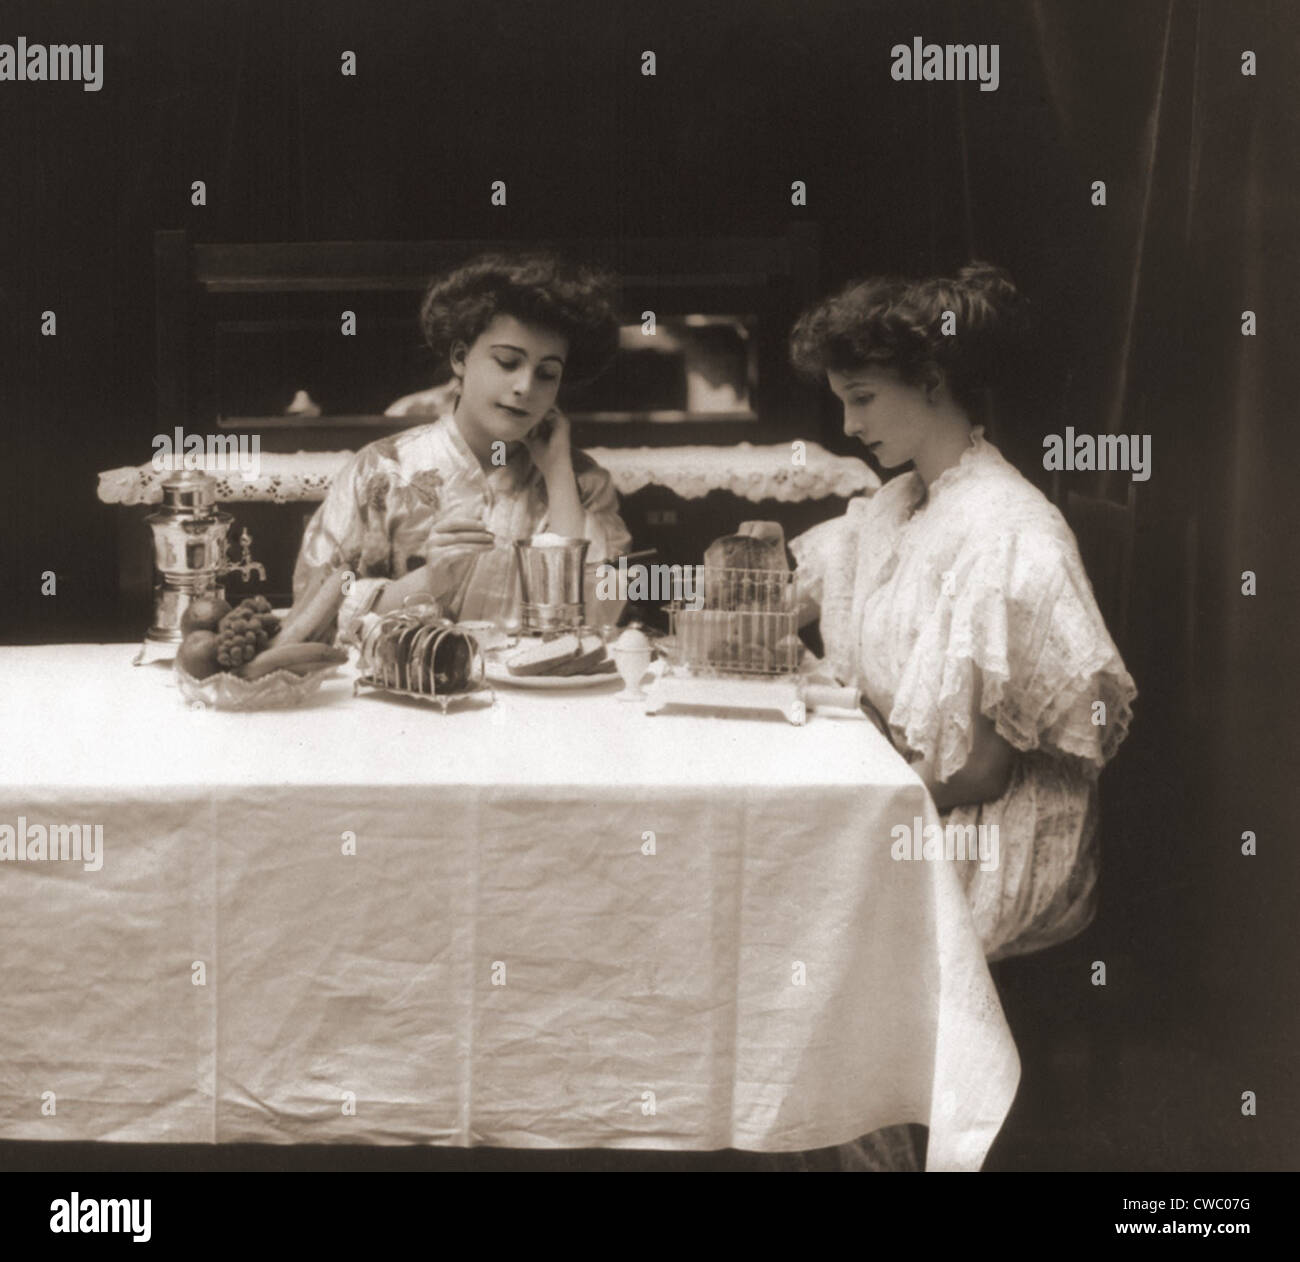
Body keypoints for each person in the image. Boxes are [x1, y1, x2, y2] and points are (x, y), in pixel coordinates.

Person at [290, 252, 633, 637]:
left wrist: (557, 475)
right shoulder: (383, 470)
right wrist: (430, 579)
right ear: (460, 357)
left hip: (537, 695)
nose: (525, 387)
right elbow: (310, 621)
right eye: (507, 362)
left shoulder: (584, 483)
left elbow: (598, 619)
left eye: (547, 373)